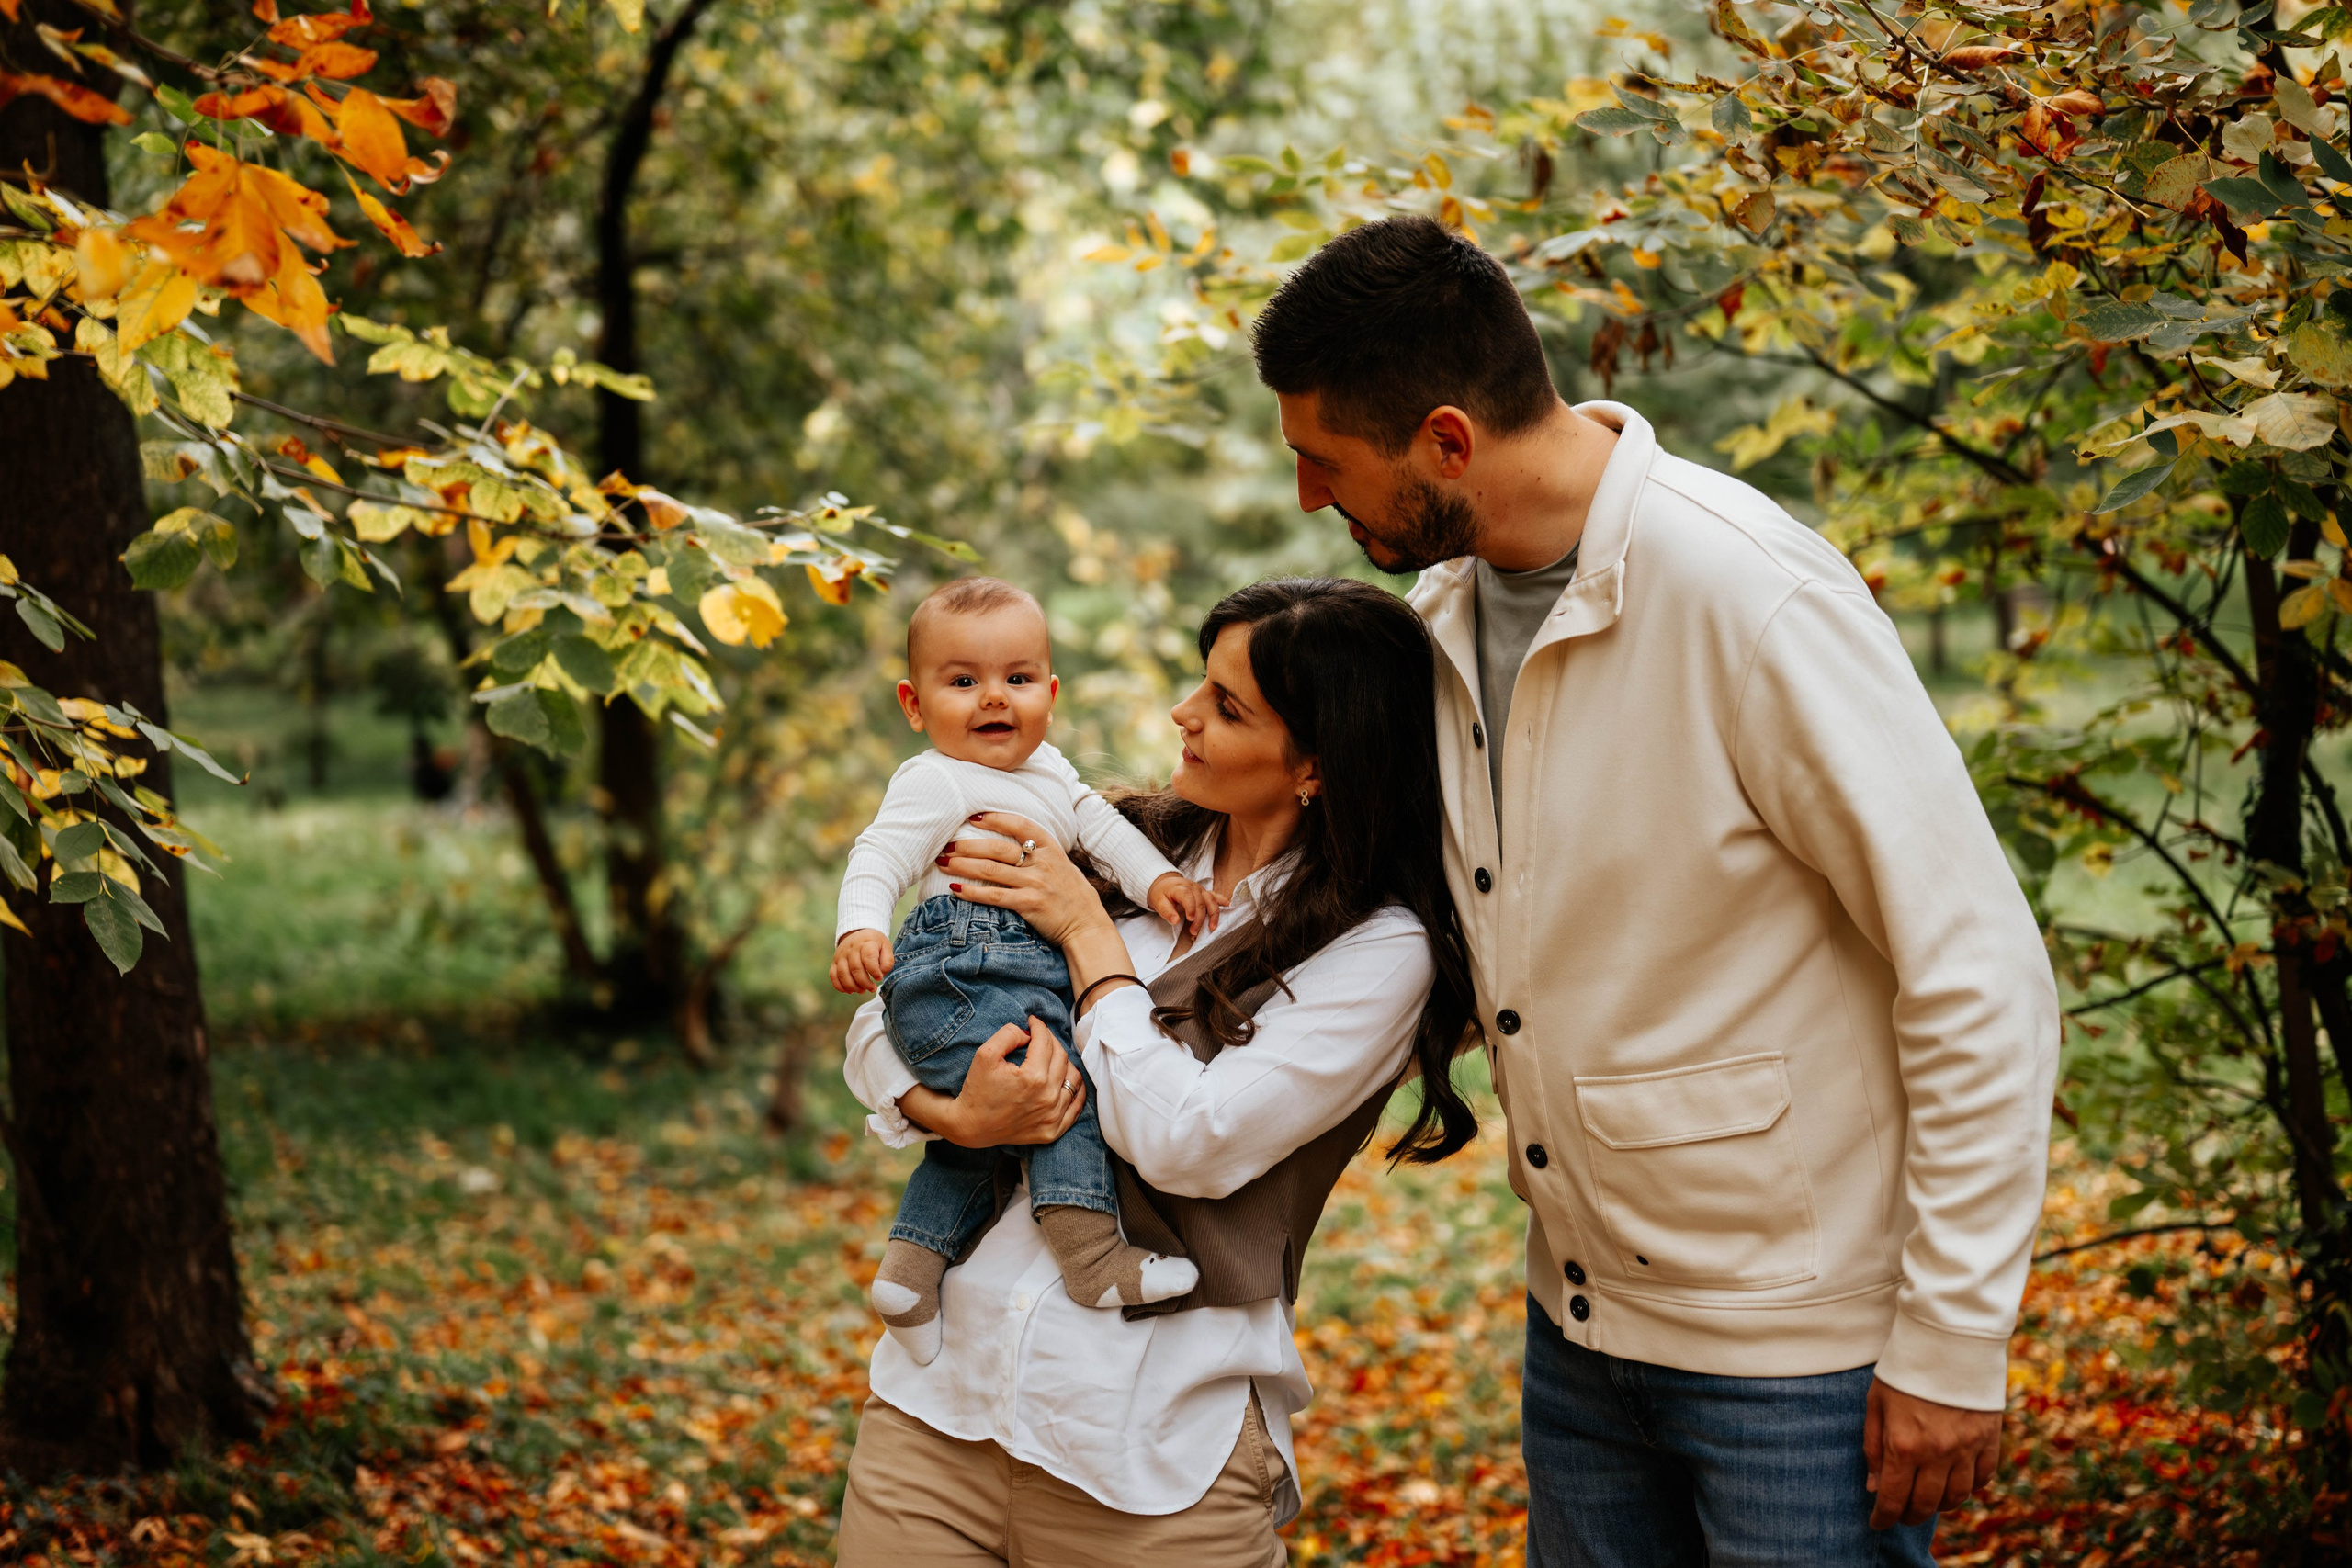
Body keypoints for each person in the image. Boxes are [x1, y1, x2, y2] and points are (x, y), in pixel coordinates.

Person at [1250, 214, 2060, 1566]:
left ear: (1447, 441)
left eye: (1324, 462)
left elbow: (1977, 967)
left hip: (1796, 1359)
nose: (1308, 499)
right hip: (1575, 1339)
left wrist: (1956, 1334)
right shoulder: (1442, 622)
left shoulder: (1747, 594)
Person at [831, 578, 1478, 1566]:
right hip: (937, 1420)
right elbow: (897, 1005)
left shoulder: (1375, 952)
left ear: (1315, 764)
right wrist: (944, 1111)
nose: (1183, 715)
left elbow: (1188, 1141)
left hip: (1146, 1458)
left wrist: (1088, 941)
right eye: (1199, 686)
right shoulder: (1117, 849)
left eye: (1226, 707)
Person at [830, 576, 1217, 1361]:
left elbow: (1105, 832)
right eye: (963, 681)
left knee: (988, 1131)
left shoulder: (1052, 777)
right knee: (1061, 1080)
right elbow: (878, 854)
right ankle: (1090, 1254)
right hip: (963, 964)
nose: (993, 699)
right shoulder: (934, 777)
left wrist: (1160, 883)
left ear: (1051, 690)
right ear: (914, 704)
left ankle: (909, 1270)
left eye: (1016, 679)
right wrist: (861, 927)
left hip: (1004, 971)